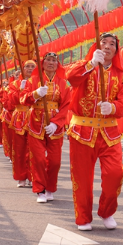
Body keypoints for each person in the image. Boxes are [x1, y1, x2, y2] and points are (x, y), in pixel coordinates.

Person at [66, 33, 123, 231]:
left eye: (113, 44)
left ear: (116, 51)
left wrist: (112, 108)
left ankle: (107, 211)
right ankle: (83, 217)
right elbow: (70, 78)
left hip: (109, 133)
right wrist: (90, 64)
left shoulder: (122, 76)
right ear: (96, 46)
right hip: (82, 131)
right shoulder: (84, 66)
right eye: (104, 42)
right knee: (82, 178)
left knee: (115, 174)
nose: (108, 46)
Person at [22, 53, 71, 203]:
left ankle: (50, 187)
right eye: (48, 60)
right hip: (36, 123)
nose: (51, 63)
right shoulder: (33, 80)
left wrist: (56, 123)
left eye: (54, 60)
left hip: (55, 125)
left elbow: (66, 105)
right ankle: (40, 190)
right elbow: (23, 99)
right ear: (42, 63)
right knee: (38, 159)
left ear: (58, 64)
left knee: (55, 161)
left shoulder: (63, 83)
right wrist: (35, 94)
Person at [9, 60, 37, 187]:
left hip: (35, 117)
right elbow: (13, 100)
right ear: (22, 68)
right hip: (19, 117)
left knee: (34, 149)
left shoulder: (39, 82)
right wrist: (21, 88)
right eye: (27, 66)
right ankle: (21, 177)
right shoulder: (15, 84)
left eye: (33, 66)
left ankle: (32, 176)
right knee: (19, 149)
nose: (30, 69)